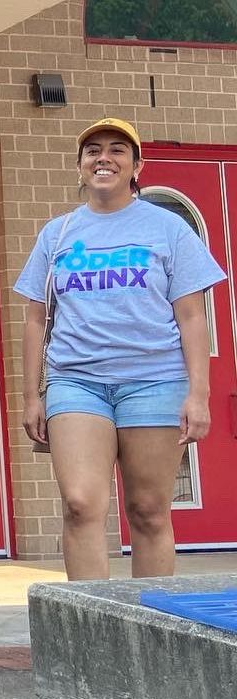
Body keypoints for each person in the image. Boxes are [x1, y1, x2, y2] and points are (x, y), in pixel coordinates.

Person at [16, 118, 226, 580]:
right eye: (93, 150)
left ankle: (149, 617)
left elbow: (192, 317)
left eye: (117, 150)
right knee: (79, 504)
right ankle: (89, 618)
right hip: (76, 383)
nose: (104, 158)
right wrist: (32, 397)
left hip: (154, 382)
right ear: (80, 165)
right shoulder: (57, 233)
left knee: (148, 510)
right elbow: (35, 318)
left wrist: (199, 394)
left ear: (136, 166)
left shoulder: (168, 229)